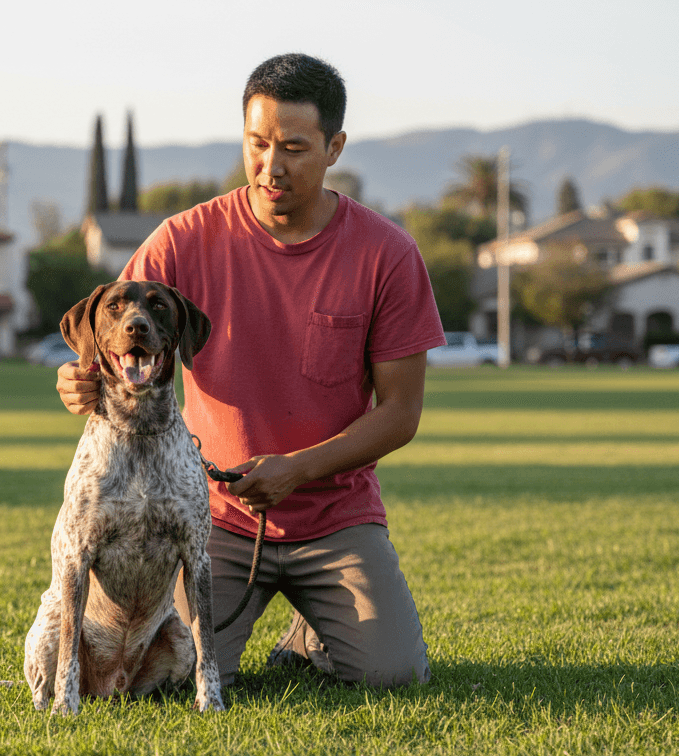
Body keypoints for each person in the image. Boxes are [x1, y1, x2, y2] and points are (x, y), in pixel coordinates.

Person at [56, 53, 445, 688]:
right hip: (213, 520)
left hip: (337, 516)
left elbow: (400, 414)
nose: (271, 165)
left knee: (393, 675)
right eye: (257, 143)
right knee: (172, 679)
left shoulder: (388, 255)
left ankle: (315, 630)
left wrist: (298, 470)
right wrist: (80, 382)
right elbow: (113, 334)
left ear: (334, 147)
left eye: (293, 147)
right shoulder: (182, 240)